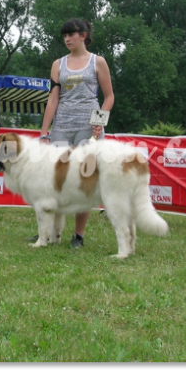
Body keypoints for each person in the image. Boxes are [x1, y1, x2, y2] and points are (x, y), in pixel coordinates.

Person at [38, 18, 114, 248]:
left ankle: (78, 236)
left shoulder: (97, 62)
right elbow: (53, 99)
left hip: (88, 129)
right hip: (61, 127)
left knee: (85, 181)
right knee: (54, 180)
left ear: (83, 35)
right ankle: (47, 232)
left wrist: (99, 122)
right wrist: (44, 132)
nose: (67, 39)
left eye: (71, 34)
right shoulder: (57, 64)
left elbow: (109, 97)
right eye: (64, 36)